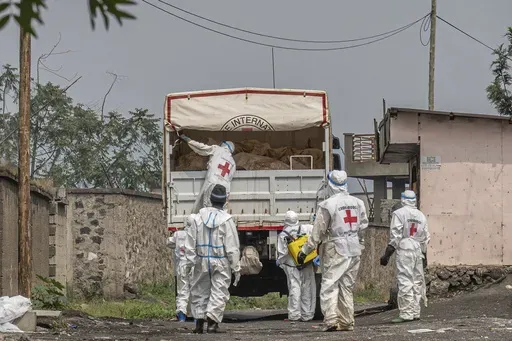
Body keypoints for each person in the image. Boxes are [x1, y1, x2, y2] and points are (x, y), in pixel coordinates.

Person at [297, 170, 368, 332]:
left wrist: (305, 250)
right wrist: (360, 243)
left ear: (330, 185)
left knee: (330, 284)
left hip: (336, 248)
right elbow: (363, 227)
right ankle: (347, 321)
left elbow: (318, 231)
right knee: (346, 286)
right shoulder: (358, 203)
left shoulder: (328, 205)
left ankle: (330, 320)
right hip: (354, 247)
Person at [184, 184, 241, 334]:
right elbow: (232, 247)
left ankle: (198, 324)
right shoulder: (227, 220)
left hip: (201, 260)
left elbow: (190, 243)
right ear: (224, 201)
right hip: (220, 260)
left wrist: (189, 263)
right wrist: (236, 267)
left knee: (199, 290)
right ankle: (212, 323)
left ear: (210, 199)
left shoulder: (197, 219)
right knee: (219, 290)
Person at [380, 190, 430, 323]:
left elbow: (395, 236)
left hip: (405, 248)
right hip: (418, 250)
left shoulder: (399, 213)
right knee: (416, 281)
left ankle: (406, 313)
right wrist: (423, 253)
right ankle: (415, 311)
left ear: (402, 199)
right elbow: (426, 237)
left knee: (405, 280)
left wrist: (386, 255)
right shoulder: (421, 215)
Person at [178, 133, 236, 213]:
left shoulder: (217, 149)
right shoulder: (233, 162)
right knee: (222, 212)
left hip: (212, 182)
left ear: (224, 145)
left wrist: (188, 140)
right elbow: (229, 178)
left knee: (208, 210)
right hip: (225, 188)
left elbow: (201, 148)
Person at [276, 211, 316, 322]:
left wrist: (279, 262)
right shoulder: (305, 228)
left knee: (294, 287)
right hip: (306, 262)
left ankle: (294, 314)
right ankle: (307, 314)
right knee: (307, 287)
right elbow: (316, 233)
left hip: (292, 265)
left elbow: (282, 253)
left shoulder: (283, 235)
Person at [167, 214, 195, 322]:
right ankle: (196, 317)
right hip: (193, 266)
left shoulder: (178, 234)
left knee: (182, 291)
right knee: (195, 292)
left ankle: (182, 315)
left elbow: (169, 243)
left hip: (182, 266)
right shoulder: (197, 235)